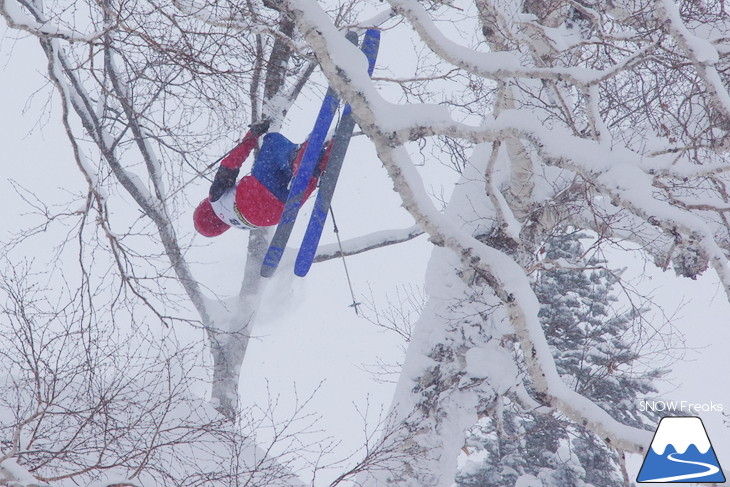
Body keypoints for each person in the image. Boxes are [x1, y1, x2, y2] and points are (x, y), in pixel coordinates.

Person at [193, 121, 332, 237]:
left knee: (293, 175)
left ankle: (317, 168)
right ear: (204, 208)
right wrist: (252, 135)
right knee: (273, 143)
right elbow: (230, 164)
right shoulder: (215, 199)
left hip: (280, 211)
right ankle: (296, 159)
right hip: (257, 192)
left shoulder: (241, 226)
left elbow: (262, 213)